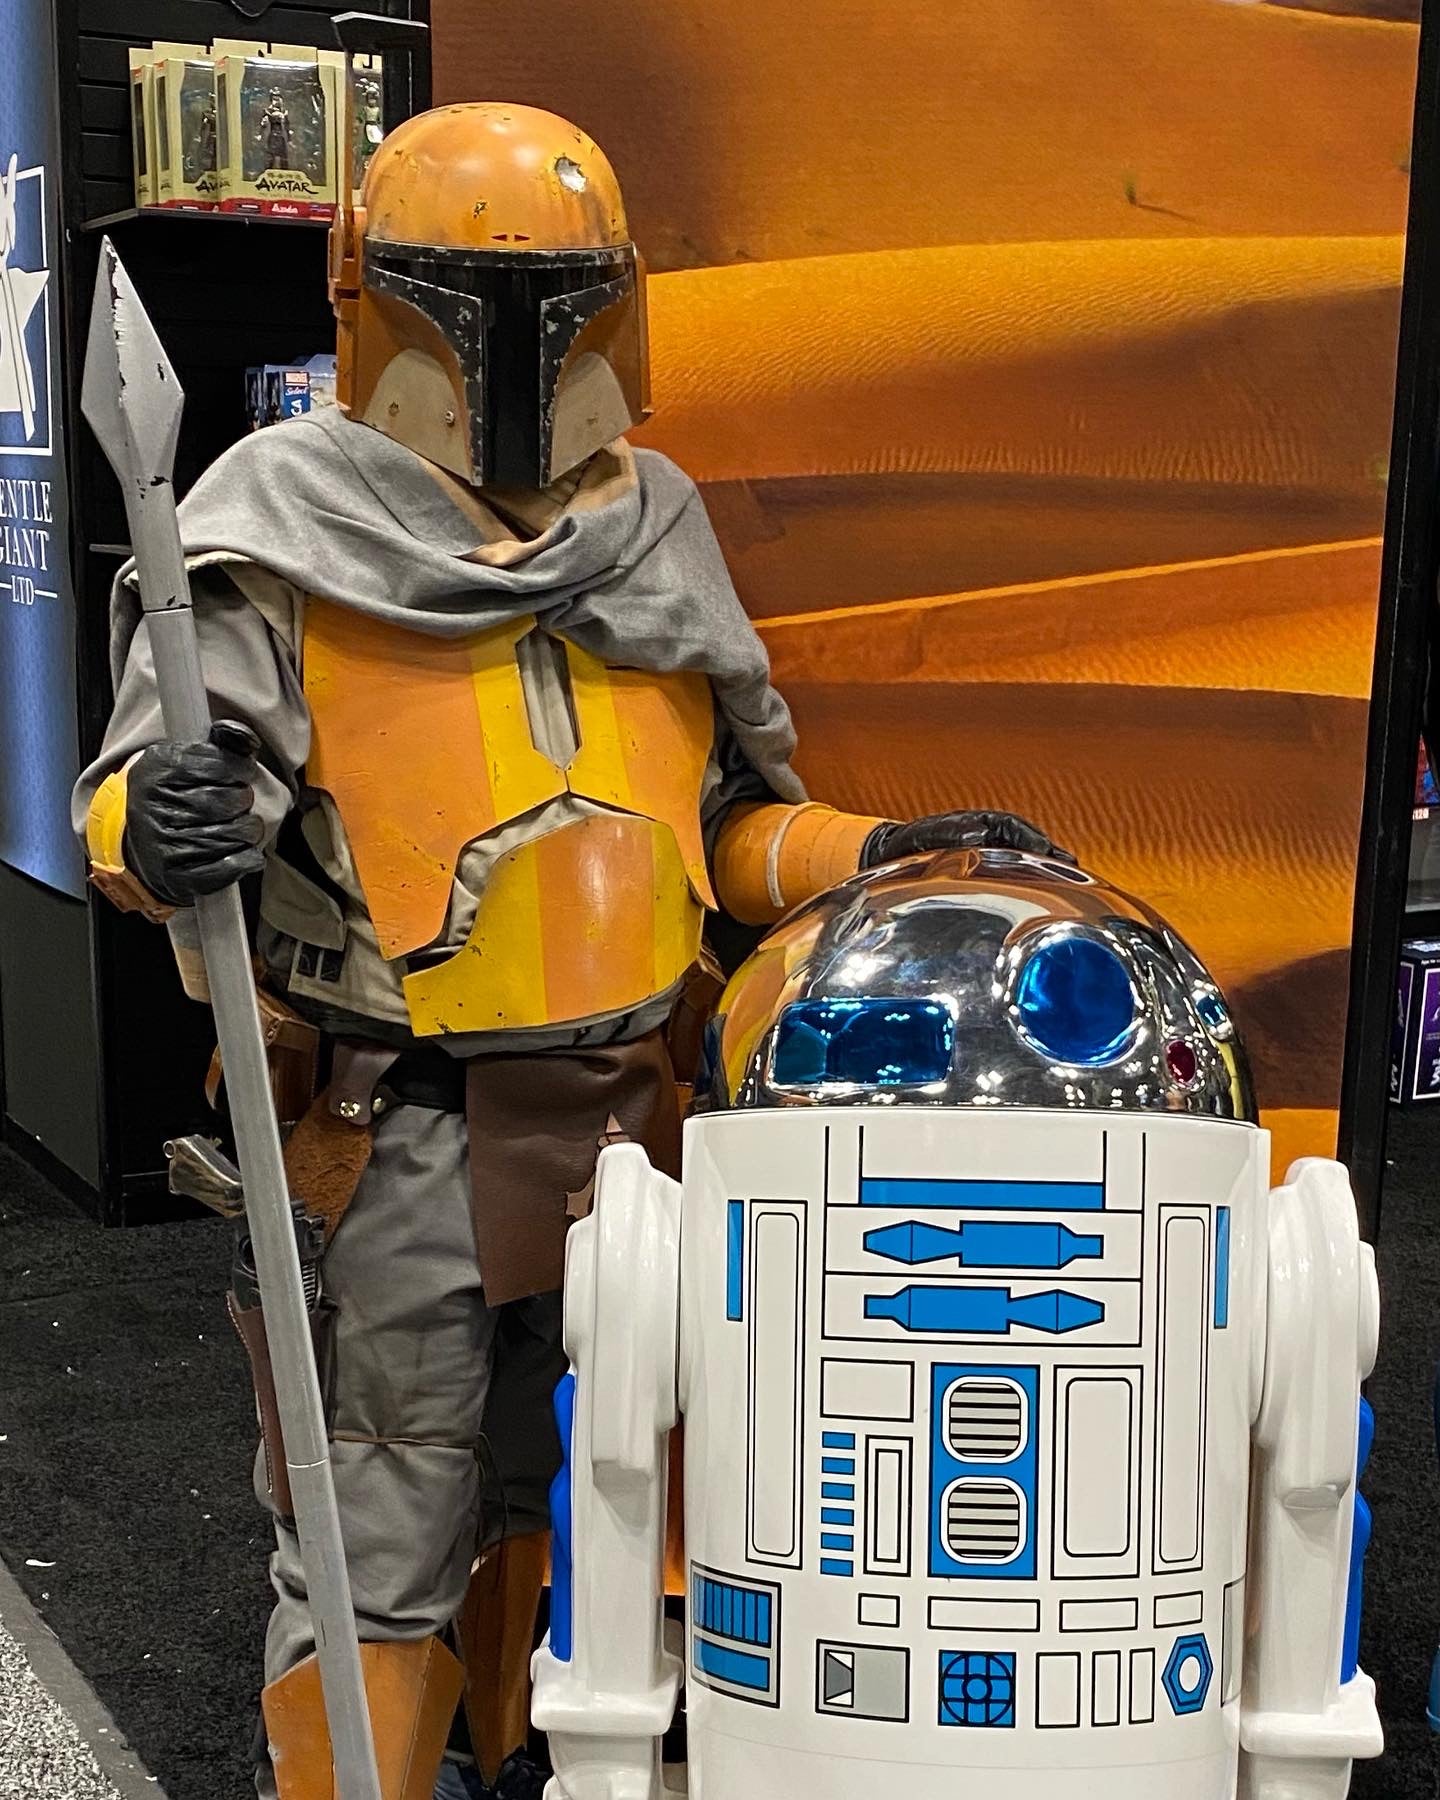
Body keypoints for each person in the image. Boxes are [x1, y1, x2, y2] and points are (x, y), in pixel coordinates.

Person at [73, 102, 1068, 1800]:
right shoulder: (278, 530)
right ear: (376, 296)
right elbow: (161, 817)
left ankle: (541, 1762)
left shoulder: (651, 525)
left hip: (642, 1121)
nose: (515, 352)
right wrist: (154, 834)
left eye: (559, 302)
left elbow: (732, 834)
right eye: (464, 299)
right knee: (377, 1514)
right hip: (398, 1134)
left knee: (596, 1489)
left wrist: (869, 858)